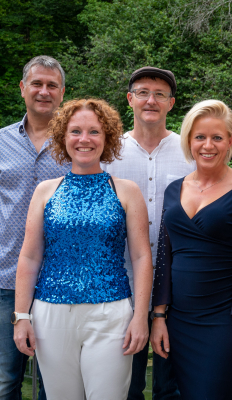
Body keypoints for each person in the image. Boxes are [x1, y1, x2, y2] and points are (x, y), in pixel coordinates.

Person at [13, 98, 153, 400]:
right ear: (63, 137)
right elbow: (30, 256)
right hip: (51, 313)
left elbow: (142, 257)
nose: (84, 139)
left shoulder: (126, 191)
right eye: (75, 131)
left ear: (107, 138)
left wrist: (140, 316)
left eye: (94, 132)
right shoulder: (46, 191)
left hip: (111, 313)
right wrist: (21, 316)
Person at [150, 99, 232, 400]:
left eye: (217, 137)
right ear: (189, 140)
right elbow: (164, 256)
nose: (208, 145)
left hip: (223, 322)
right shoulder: (174, 190)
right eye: (200, 137)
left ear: (230, 140)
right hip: (177, 322)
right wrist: (159, 316)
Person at [102, 66, 194, 400]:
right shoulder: (108, 153)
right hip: (122, 287)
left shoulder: (190, 151)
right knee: (126, 386)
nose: (150, 100)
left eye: (159, 94)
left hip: (179, 288)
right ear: (130, 99)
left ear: (172, 103)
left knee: (173, 387)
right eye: (142, 93)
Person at [0, 55, 68, 400]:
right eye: (37, 84)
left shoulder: (77, 142)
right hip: (6, 279)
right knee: (4, 381)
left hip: (61, 282)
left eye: (52, 85)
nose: (44, 91)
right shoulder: (1, 141)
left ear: (62, 92)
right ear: (22, 88)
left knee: (56, 386)